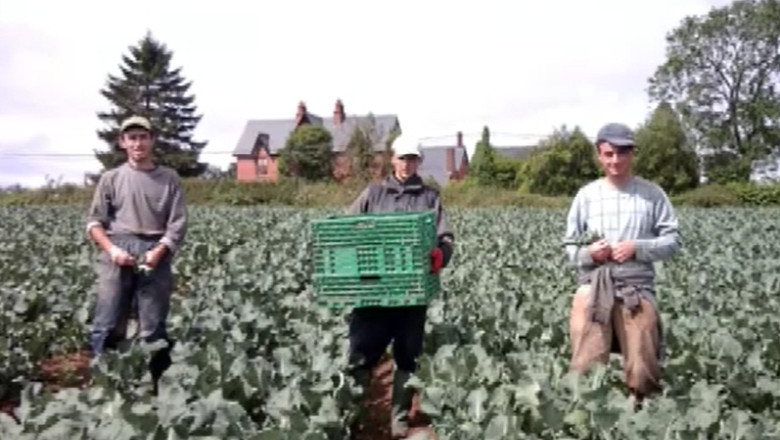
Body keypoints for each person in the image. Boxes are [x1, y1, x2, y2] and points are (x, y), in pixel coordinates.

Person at [562, 122, 680, 406]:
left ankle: (642, 409)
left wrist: (637, 248)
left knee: (642, 365)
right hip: (594, 285)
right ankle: (585, 413)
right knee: (586, 362)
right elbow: (569, 248)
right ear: (599, 155)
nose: (615, 161)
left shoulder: (652, 194)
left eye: (622, 154)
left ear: (632, 154)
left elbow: (673, 240)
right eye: (609, 154)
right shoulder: (586, 196)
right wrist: (589, 252)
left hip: (636, 286)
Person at [347, 135, 455, 437]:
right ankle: (352, 410)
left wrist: (439, 255)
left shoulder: (429, 198)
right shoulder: (373, 193)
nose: (407, 164)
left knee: (408, 355)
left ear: (418, 162)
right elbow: (347, 228)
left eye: (412, 159)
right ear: (392, 159)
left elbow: (445, 238)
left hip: (412, 292)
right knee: (361, 353)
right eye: (402, 158)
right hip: (374, 292)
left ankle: (399, 417)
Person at [85, 115, 187, 391]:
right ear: (122, 143)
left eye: (143, 136)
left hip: (156, 251)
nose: (138, 143)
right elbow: (94, 224)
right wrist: (112, 250)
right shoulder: (111, 178)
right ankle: (103, 384)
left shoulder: (169, 179)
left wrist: (160, 250)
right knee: (107, 322)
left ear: (152, 140)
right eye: (132, 137)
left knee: (152, 326)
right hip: (117, 249)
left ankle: (153, 386)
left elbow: (177, 223)